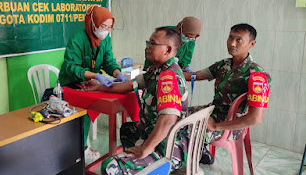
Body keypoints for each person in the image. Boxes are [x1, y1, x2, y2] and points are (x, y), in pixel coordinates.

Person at [83, 27, 189, 174]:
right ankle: (134, 166)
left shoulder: (168, 77)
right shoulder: (156, 71)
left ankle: (142, 164)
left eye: (153, 43)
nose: (147, 47)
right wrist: (99, 87)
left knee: (109, 166)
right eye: (148, 42)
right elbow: (127, 85)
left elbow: (167, 120)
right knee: (127, 129)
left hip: (167, 147)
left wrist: (145, 149)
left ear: (167, 50)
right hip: (154, 133)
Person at [183, 23, 271, 164]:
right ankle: (199, 151)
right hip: (213, 112)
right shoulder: (223, 65)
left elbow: (255, 118)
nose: (232, 43)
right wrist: (170, 71)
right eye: (230, 38)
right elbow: (194, 75)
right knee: (176, 116)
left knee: (182, 131)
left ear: (252, 44)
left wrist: (216, 126)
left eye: (238, 40)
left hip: (231, 125)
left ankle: (186, 163)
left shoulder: (257, 75)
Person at [58, 5, 127, 161]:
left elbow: (108, 61)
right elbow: (71, 67)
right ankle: (76, 152)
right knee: (77, 119)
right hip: (70, 84)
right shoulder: (77, 39)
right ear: (92, 23)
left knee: (88, 113)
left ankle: (81, 149)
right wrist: (96, 75)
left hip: (88, 85)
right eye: (103, 26)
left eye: (109, 27)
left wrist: (117, 73)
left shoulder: (105, 40)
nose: (106, 31)